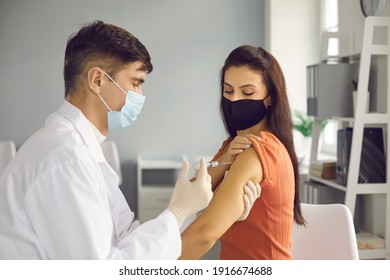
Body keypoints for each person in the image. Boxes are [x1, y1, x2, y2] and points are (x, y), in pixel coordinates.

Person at [0, 21, 259, 260]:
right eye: (135, 83)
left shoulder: (80, 149)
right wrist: (177, 212)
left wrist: (194, 211)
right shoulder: (65, 158)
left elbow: (127, 238)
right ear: (97, 80)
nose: (140, 95)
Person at [180, 45, 305, 260]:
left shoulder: (260, 151)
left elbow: (204, 234)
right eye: (228, 91)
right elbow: (186, 200)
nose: (235, 99)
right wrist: (225, 160)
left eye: (247, 92)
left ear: (271, 97)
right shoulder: (233, 146)